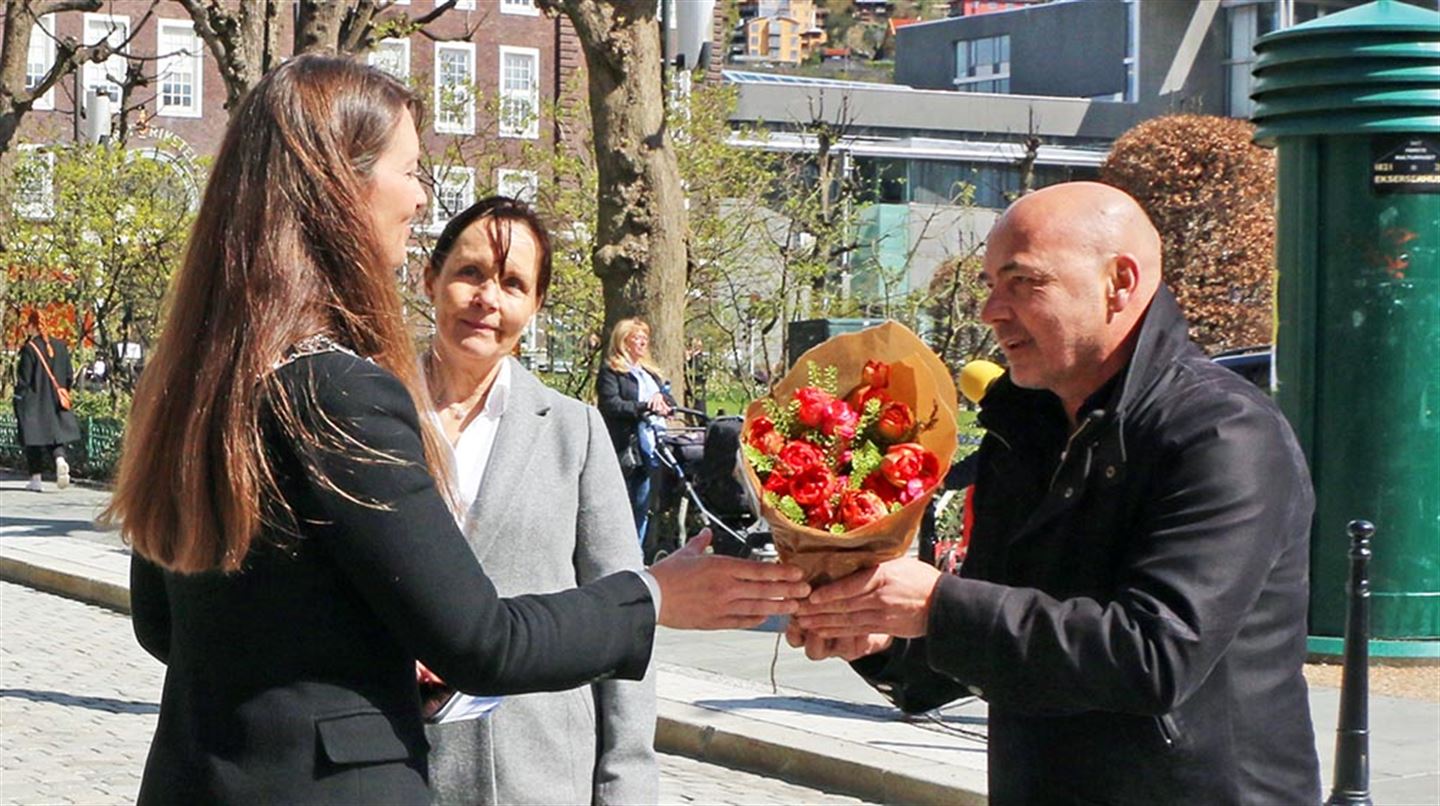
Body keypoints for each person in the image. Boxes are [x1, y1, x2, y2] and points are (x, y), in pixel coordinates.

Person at [102, 55, 809, 805]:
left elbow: (164, 623)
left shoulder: (206, 377)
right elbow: (482, 643)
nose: (417, 199)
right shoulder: (339, 390)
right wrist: (656, 595)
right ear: (343, 185)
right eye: (410, 171)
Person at [789, 182, 1321, 804]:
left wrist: (937, 606)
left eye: (1023, 283)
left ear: (1118, 283)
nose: (991, 310)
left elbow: (1156, 655)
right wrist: (879, 634)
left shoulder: (1222, 432)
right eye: (990, 284)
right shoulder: (1024, 430)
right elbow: (994, 633)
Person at [419, 197, 658, 804]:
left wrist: (626, 787)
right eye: (471, 273)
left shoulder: (572, 431)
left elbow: (625, 614)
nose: (487, 299)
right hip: (392, 761)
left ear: (534, 306)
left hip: (535, 772)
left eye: (513, 283)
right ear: (432, 279)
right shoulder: (367, 412)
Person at [596, 318, 674, 542]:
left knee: (644, 504)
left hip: (653, 447)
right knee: (625, 505)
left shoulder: (651, 373)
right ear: (623, 341)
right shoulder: (612, 371)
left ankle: (639, 553)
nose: (642, 343)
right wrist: (645, 407)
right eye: (637, 338)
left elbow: (670, 401)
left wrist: (663, 400)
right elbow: (611, 405)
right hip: (627, 448)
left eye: (644, 339)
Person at [13, 311, 79, 492]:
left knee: (33, 438)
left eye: (27, 325)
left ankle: (36, 478)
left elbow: (24, 380)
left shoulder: (30, 348)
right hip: (56, 400)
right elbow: (68, 375)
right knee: (54, 434)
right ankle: (60, 459)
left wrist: (18, 398)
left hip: (34, 401)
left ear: (33, 326)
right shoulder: (60, 346)